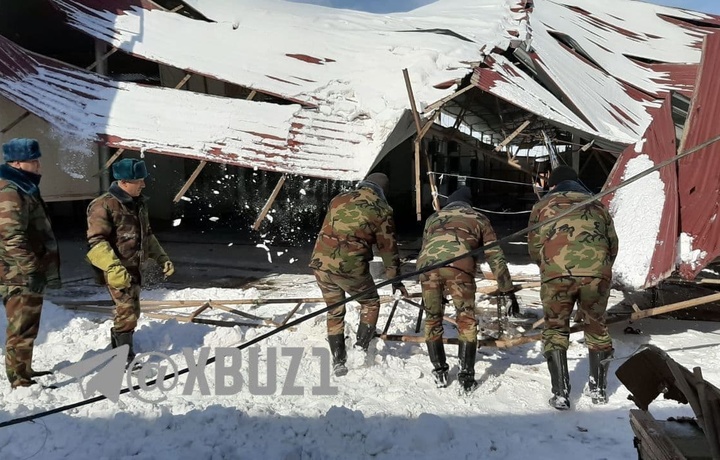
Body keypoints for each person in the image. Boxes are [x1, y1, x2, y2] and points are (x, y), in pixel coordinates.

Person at [528, 165, 618, 410]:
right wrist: (600, 269)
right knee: (596, 326)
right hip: (596, 274)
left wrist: (548, 267)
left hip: (556, 274)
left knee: (556, 328)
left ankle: (560, 393)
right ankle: (599, 390)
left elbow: (534, 246)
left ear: (554, 185)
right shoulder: (598, 205)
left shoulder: (542, 206)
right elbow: (612, 244)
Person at [417, 186, 519, 392]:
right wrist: (507, 289)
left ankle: (439, 372)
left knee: (433, 318)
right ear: (468, 204)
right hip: (460, 267)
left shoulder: (434, 218)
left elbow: (427, 247)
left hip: (427, 267)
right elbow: (494, 255)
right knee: (466, 319)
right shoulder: (478, 218)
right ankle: (466, 376)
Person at [309, 172, 407, 377]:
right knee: (370, 302)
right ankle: (361, 348)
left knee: (335, 310)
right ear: (382, 191)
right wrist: (395, 280)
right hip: (349, 267)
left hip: (320, 263)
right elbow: (388, 249)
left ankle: (338, 360)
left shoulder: (339, 198)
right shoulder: (382, 209)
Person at [86, 158, 174, 366]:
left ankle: (120, 348)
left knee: (132, 311)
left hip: (134, 267)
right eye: (139, 181)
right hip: (116, 269)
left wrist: (162, 257)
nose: (143, 184)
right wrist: (113, 268)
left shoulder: (138, 203)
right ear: (124, 182)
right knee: (127, 311)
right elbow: (96, 241)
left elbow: (148, 235)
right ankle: (124, 357)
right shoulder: (103, 205)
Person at [0, 138, 60, 388]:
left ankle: (23, 370)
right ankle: (19, 380)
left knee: (27, 326)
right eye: (32, 161)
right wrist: (32, 269)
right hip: (19, 274)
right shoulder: (11, 191)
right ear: (16, 163)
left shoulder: (23, 186)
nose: (38, 166)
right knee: (21, 328)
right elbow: (11, 237)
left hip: (24, 271)